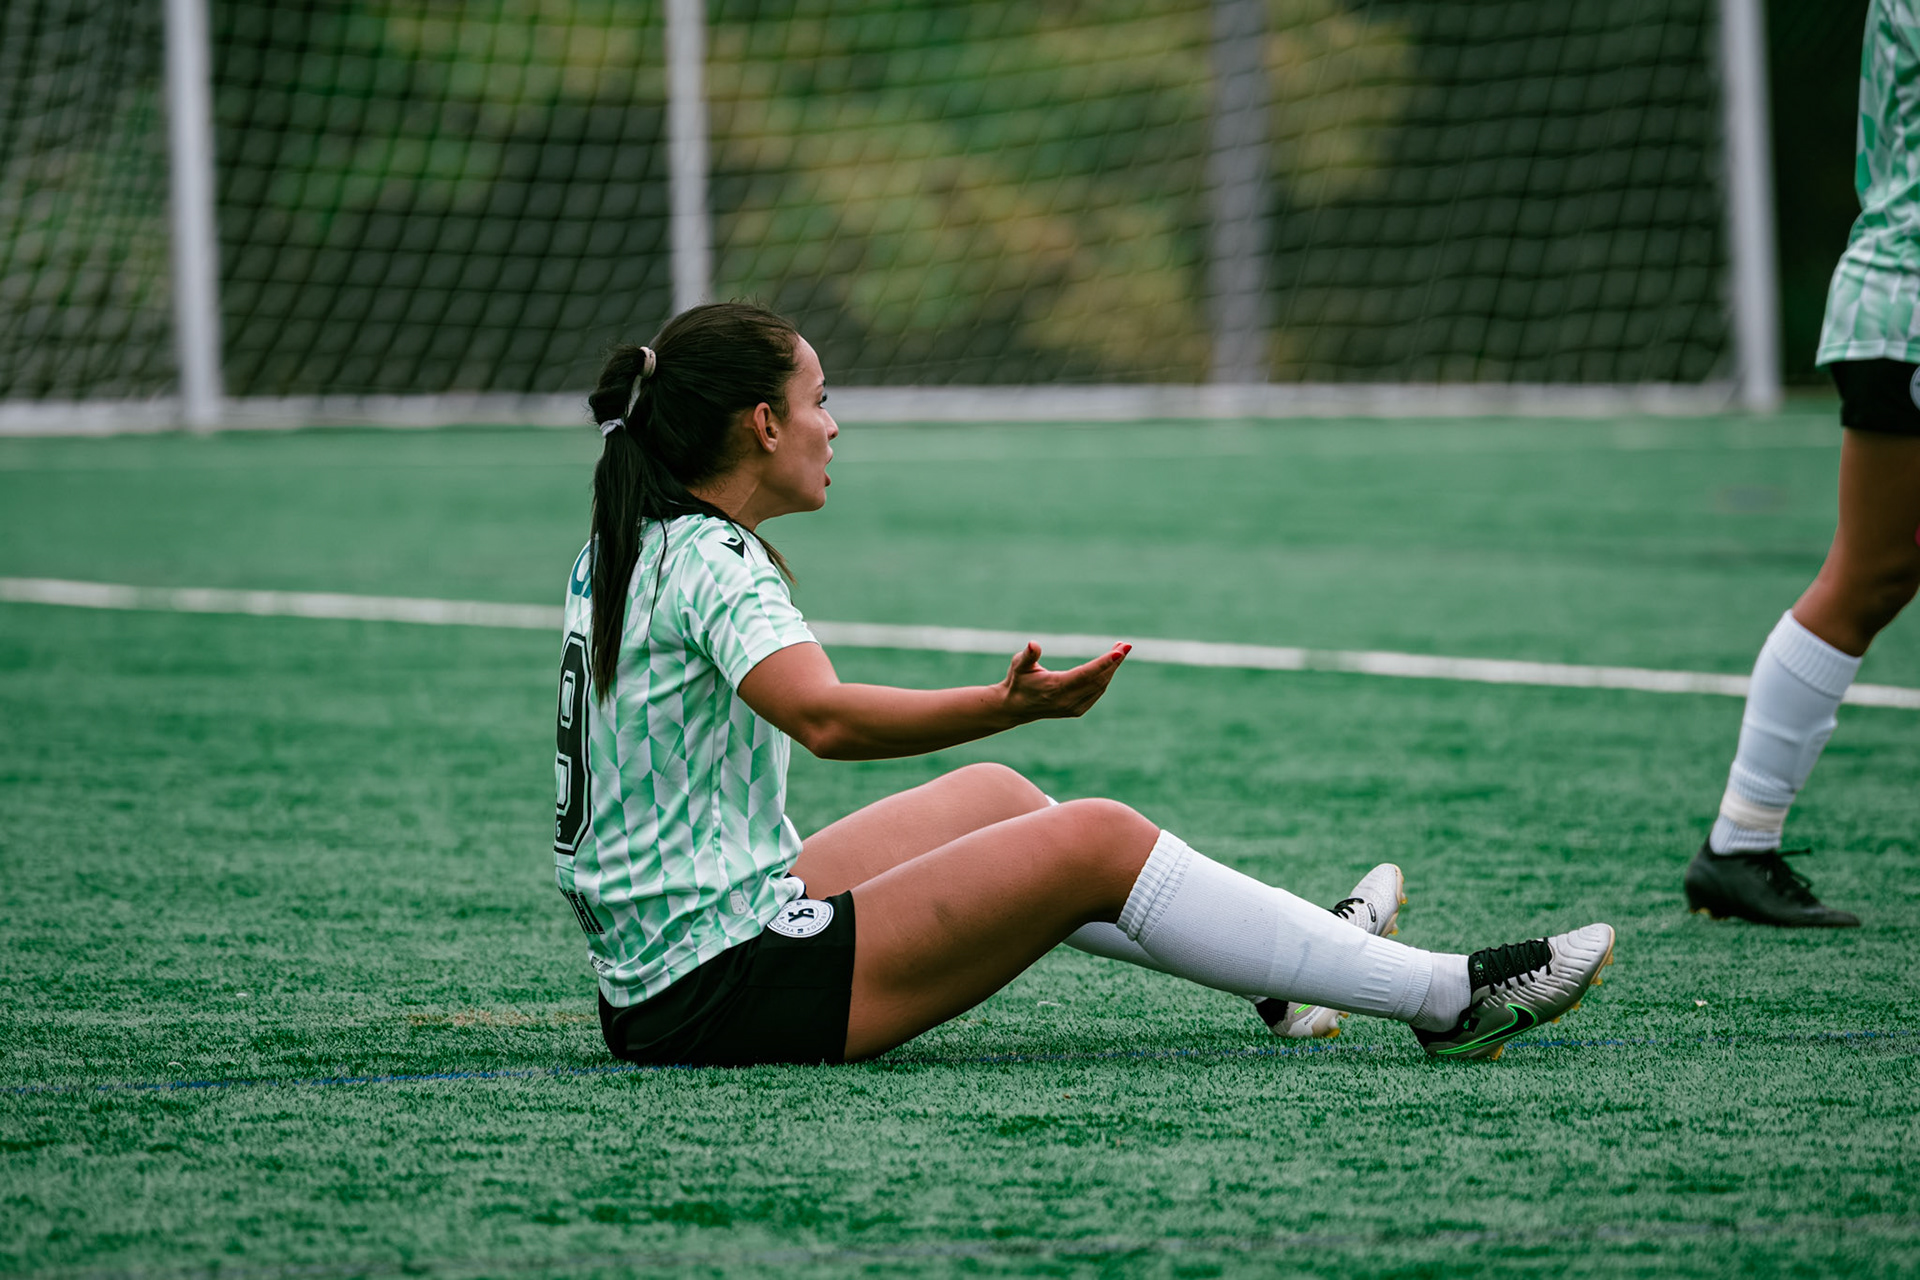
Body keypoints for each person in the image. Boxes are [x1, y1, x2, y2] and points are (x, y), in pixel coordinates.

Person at [550, 301, 1614, 1067]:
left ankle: (1284, 970)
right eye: (820, 400)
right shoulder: (711, 559)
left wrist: (996, 733)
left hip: (667, 969)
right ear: (762, 423)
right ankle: (1443, 994)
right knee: (1095, 838)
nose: (836, 424)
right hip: (713, 990)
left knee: (1001, 797)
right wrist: (1000, 701)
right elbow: (823, 717)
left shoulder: (633, 539)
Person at [1683, 0, 1920, 928]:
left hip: (1890, 298)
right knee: (1868, 575)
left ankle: (1740, 842)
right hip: (1906, 301)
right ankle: (1738, 843)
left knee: (1874, 574)